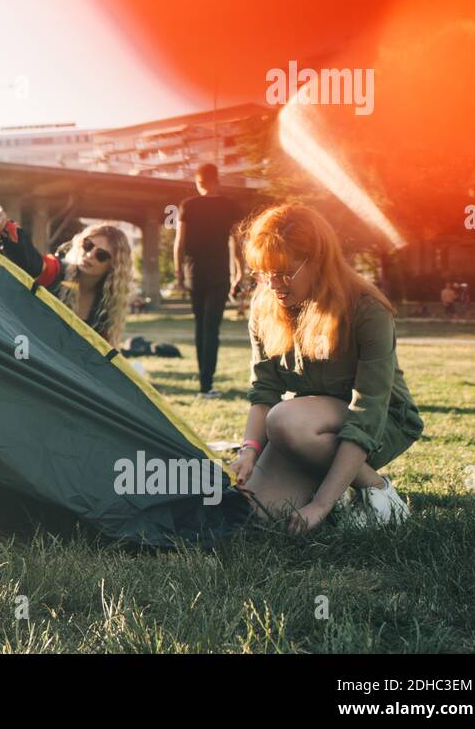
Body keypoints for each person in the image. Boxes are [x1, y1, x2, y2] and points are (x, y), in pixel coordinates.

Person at [230, 204, 423, 532]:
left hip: (379, 424)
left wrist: (321, 504)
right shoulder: (266, 308)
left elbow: (367, 410)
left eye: (285, 272)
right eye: (265, 273)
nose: (274, 284)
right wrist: (250, 451)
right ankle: (349, 488)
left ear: (317, 261)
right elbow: (264, 390)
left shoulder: (367, 309)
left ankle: (378, 492)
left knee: (285, 419)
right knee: (260, 514)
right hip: (306, 430)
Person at [0, 205, 132, 349]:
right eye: (88, 245)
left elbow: (101, 352)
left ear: (113, 266)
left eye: (101, 255)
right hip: (21, 348)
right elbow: (31, 262)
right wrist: (4, 228)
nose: (89, 255)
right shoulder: (57, 270)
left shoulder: (105, 304)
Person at [174, 163, 244, 397]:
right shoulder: (229, 206)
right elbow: (236, 242)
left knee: (200, 327)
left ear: (198, 181)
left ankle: (204, 383)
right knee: (211, 328)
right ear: (217, 180)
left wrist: (178, 273)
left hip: (194, 274)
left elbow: (179, 243)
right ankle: (207, 384)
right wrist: (239, 272)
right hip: (219, 274)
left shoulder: (188, 206)